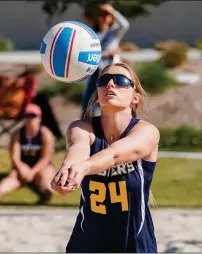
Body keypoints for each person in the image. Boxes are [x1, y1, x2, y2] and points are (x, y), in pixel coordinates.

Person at [51, 62, 160, 253]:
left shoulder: (146, 132)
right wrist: (67, 172)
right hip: (86, 244)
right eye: (103, 81)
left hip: (133, 245)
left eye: (120, 81)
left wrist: (84, 167)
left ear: (136, 97)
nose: (110, 85)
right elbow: (77, 149)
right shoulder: (82, 127)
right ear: (97, 93)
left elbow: (114, 154)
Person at [0, 103, 56, 204]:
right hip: (23, 165)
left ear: (39, 118)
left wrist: (32, 172)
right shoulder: (18, 134)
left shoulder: (46, 134)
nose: (30, 119)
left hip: (41, 166)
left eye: (33, 116)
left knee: (45, 176)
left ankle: (47, 192)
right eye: (27, 116)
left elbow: (46, 157)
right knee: (13, 176)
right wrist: (21, 167)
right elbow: (15, 156)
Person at [81, 3, 130, 113]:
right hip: (96, 70)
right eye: (102, 15)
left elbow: (125, 25)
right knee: (90, 99)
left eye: (107, 15)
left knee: (111, 97)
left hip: (111, 70)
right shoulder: (93, 34)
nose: (104, 18)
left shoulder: (113, 32)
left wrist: (113, 11)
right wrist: (106, 53)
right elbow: (88, 53)